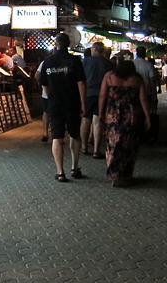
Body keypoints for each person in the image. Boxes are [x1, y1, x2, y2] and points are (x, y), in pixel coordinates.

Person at [39, 33, 86, 182]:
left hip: (54, 104)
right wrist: (83, 104)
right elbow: (81, 84)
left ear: (56, 44)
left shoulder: (47, 61)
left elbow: (44, 84)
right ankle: (74, 167)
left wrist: (51, 96)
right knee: (74, 134)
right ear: (69, 44)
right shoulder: (75, 61)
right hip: (72, 103)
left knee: (57, 136)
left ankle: (60, 172)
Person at [99, 59, 151, 187]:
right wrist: (147, 116)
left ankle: (114, 173)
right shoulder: (137, 79)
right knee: (129, 144)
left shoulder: (109, 76)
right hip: (131, 114)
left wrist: (101, 113)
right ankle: (126, 174)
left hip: (113, 114)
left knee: (113, 143)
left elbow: (102, 95)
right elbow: (143, 99)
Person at [81, 42, 110, 159]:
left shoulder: (86, 61)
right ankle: (96, 150)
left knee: (85, 120)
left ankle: (84, 147)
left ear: (95, 49)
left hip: (87, 94)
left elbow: (80, 79)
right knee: (97, 122)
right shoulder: (108, 63)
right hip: (102, 95)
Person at [133, 46, 159, 113]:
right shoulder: (149, 65)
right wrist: (154, 96)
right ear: (144, 53)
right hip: (147, 92)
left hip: (134, 92)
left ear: (137, 53)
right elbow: (152, 81)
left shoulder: (132, 63)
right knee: (146, 112)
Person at [35, 59, 50, 143]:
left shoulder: (45, 62)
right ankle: (58, 134)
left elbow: (37, 75)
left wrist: (40, 83)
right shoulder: (64, 61)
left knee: (46, 112)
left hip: (46, 90)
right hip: (61, 92)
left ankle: (45, 133)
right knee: (59, 113)